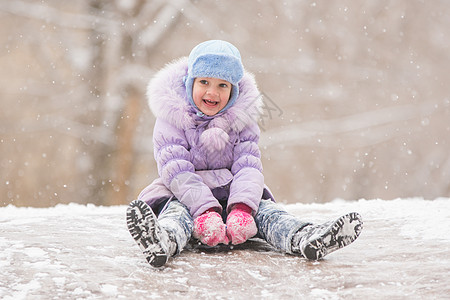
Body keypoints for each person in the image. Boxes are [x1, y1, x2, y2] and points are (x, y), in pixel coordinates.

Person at [126, 40, 363, 267]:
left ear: (234, 91)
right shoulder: (173, 119)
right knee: (178, 215)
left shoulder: (242, 121)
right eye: (204, 82)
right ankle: (162, 240)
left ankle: (306, 237)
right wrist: (205, 209)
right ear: (190, 83)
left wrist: (242, 208)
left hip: (233, 193)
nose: (213, 92)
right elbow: (176, 171)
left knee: (270, 214)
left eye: (223, 85)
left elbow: (248, 167)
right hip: (185, 195)